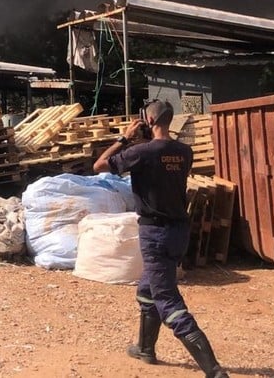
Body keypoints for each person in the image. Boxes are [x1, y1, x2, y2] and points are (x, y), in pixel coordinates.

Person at [93, 100, 229, 378]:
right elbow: (165, 162)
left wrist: (124, 138)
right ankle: (145, 348)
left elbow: (99, 165)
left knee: (168, 302)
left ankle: (214, 371)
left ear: (150, 119)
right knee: (147, 289)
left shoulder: (140, 152)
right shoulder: (185, 152)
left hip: (155, 233)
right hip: (179, 231)